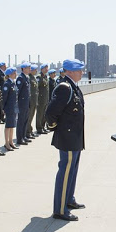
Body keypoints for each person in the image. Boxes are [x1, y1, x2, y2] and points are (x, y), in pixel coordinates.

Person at [46, 59, 86, 222]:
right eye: (79, 70)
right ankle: (60, 209)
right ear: (69, 71)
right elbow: (50, 113)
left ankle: (69, 200)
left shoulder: (73, 87)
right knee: (65, 172)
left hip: (75, 137)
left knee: (72, 171)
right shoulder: (64, 87)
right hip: (68, 137)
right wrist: (56, 128)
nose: (82, 73)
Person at [2, 67, 18, 151]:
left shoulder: (13, 83)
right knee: (8, 126)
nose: (15, 74)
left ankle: (11, 141)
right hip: (8, 107)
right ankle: (6, 143)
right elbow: (4, 97)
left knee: (12, 125)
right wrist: (3, 108)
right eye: (14, 73)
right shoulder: (7, 84)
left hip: (14, 107)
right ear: (10, 74)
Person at [15, 62, 31, 146]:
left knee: (25, 120)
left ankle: (24, 136)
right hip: (22, 103)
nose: (30, 69)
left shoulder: (26, 77)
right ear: (23, 69)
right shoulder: (20, 78)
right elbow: (18, 91)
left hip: (26, 103)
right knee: (21, 121)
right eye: (28, 68)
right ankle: (19, 138)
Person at [36, 64, 50, 135]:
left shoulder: (45, 77)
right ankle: (39, 128)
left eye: (47, 68)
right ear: (42, 69)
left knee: (44, 113)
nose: (47, 69)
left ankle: (43, 126)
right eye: (45, 68)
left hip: (45, 98)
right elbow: (36, 88)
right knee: (40, 113)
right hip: (40, 99)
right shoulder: (39, 77)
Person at [27, 65, 39, 139]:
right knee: (29, 117)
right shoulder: (29, 78)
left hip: (34, 100)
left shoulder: (33, 78)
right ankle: (28, 132)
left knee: (32, 116)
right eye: (34, 70)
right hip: (31, 101)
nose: (36, 71)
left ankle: (30, 130)